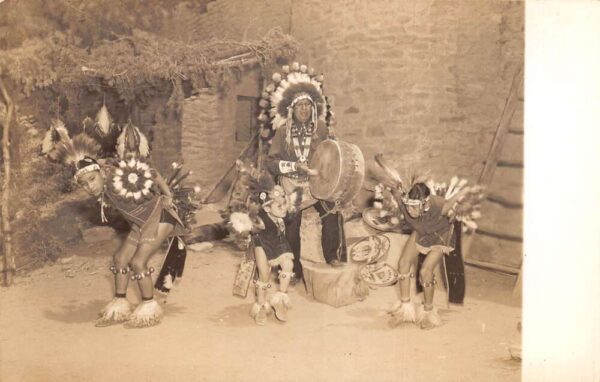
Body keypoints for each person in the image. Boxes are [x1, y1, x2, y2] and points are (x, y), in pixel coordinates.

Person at [74, 155, 186, 328]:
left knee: (138, 262)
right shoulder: (105, 188)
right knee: (119, 259)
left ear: (102, 172)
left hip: (160, 215)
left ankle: (149, 309)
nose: (90, 186)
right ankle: (119, 307)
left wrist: (168, 195)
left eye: (92, 179)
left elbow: (153, 173)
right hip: (141, 223)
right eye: (84, 184)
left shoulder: (121, 176)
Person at [263, 63, 347, 282]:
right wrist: (292, 167)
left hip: (317, 182)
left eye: (307, 106)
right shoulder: (283, 131)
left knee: (332, 210)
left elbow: (332, 152)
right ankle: (292, 271)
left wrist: (326, 173)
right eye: (300, 106)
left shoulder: (321, 128)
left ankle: (333, 256)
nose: (304, 110)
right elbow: (271, 163)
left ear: (313, 108)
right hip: (291, 183)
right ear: (292, 109)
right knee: (291, 222)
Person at [387, 182, 479, 329]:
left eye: (414, 207)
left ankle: (429, 313)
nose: (410, 210)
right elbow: (394, 189)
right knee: (403, 264)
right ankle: (405, 311)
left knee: (425, 271)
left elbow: (452, 200)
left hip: (440, 235)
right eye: (409, 206)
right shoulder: (404, 203)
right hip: (422, 232)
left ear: (425, 203)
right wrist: (391, 188)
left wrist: (465, 191)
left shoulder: (440, 205)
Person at [249, 184, 296, 325]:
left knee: (288, 264)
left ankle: (280, 299)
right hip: (261, 242)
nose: (283, 210)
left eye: (284, 205)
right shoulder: (260, 220)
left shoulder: (284, 214)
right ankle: (261, 304)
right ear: (267, 209)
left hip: (278, 240)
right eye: (279, 207)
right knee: (264, 274)